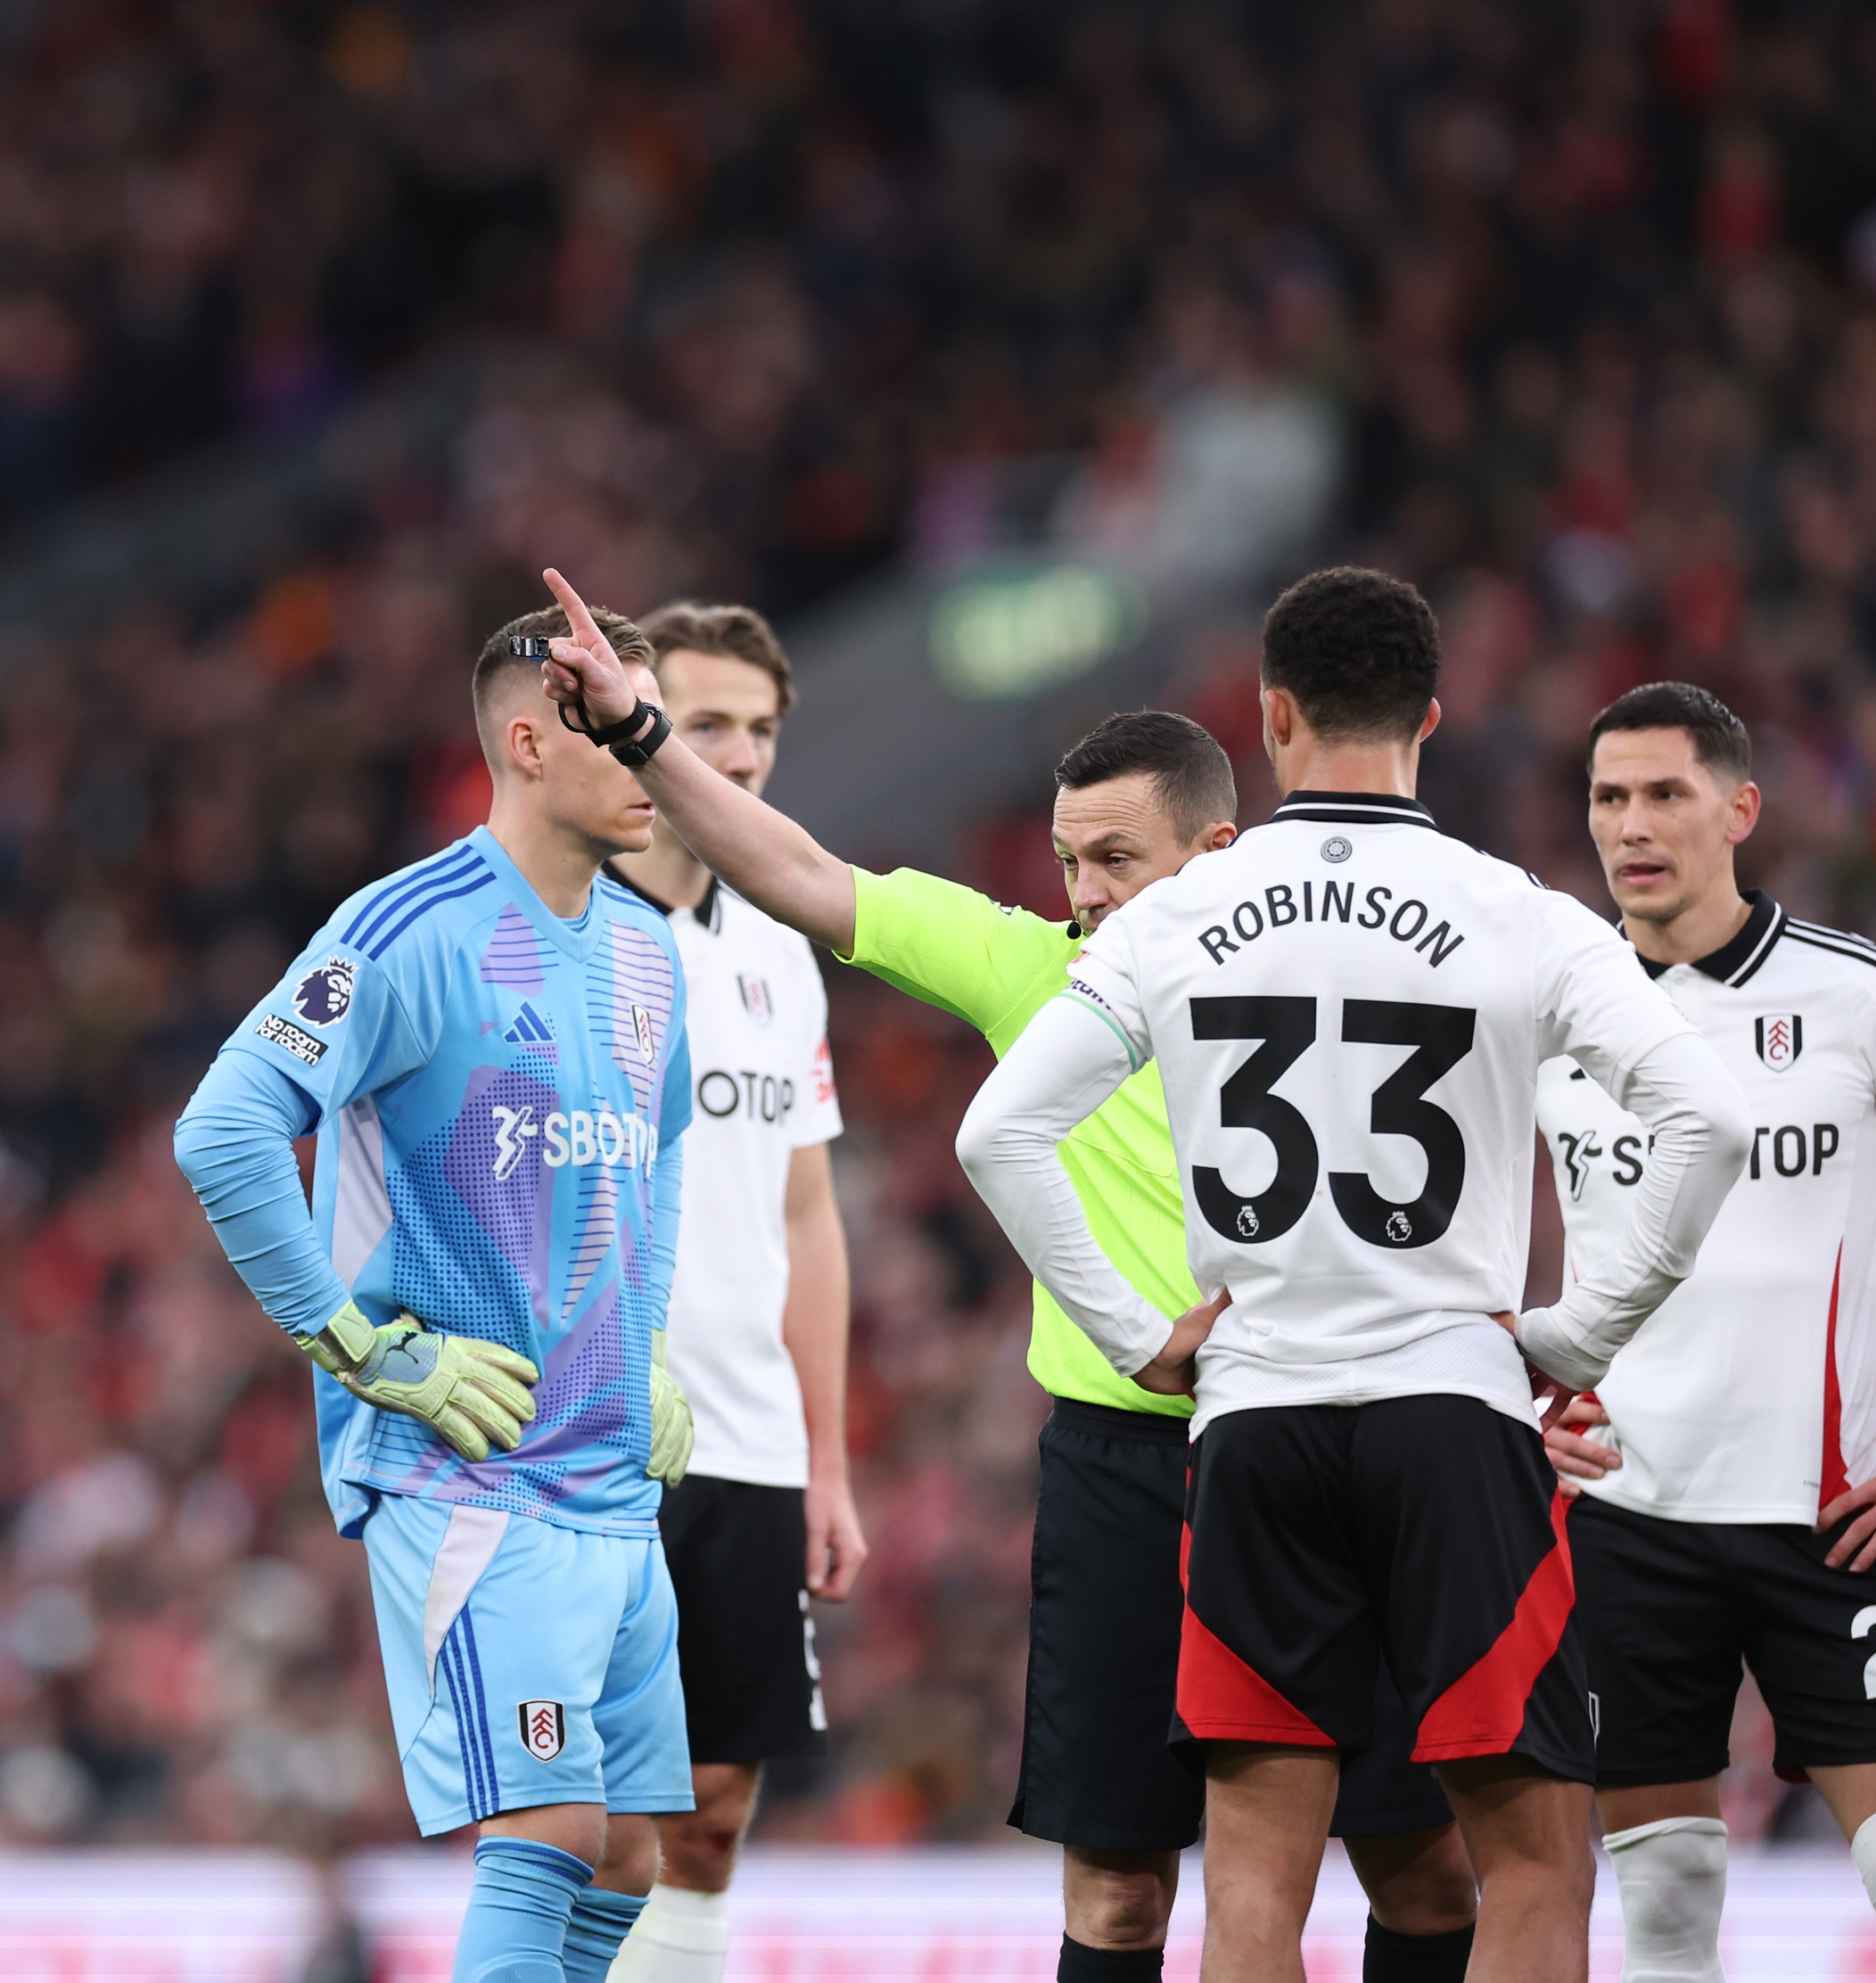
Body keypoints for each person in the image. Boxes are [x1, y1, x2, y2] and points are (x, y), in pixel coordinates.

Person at [539, 597, 1476, 1983]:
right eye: (1065, 862)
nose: (1083, 894)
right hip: (1120, 1469)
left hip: (1325, 1443)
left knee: (1415, 1863)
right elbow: (791, 866)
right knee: (1114, 1895)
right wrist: (633, 727)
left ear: (1216, 854)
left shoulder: (1337, 978)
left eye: (1113, 860)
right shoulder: (1029, 972)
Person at [951, 565, 1753, 1983]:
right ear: (1430, 717)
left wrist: (1138, 1333)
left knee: (1254, 1881)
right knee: (1528, 1867)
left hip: (1253, 1416)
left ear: (1269, 719)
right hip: (1451, 1412)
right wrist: (1577, 1334)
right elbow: (1709, 1119)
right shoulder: (1520, 912)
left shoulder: (1174, 916)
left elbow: (996, 1130)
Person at [173, 575, 696, 1983]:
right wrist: (359, 1348)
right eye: (619, 727)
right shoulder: (402, 930)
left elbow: (649, 1167)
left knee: (635, 1855)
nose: (655, 753)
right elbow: (222, 1131)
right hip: (470, 1474)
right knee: (547, 1831)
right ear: (528, 743)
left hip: (608, 1480)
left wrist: (647, 1349)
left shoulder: (651, 957)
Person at [1531, 681, 1876, 1983]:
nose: (1632, 826)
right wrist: (1511, 1393)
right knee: (1661, 1906)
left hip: (1830, 1511)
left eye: (1664, 793)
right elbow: (1452, 1238)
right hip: (1623, 1515)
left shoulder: (1864, 996)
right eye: (1608, 797)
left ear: (1739, 809)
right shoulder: (1545, 1007)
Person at [595, 604, 861, 1983]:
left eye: (758, 730)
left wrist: (826, 1462)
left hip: (748, 1443)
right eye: (704, 725)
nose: (740, 758)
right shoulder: (557, 928)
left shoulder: (779, 951)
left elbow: (804, 1221)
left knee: (706, 1818)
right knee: (576, 1823)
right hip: (586, 1438)